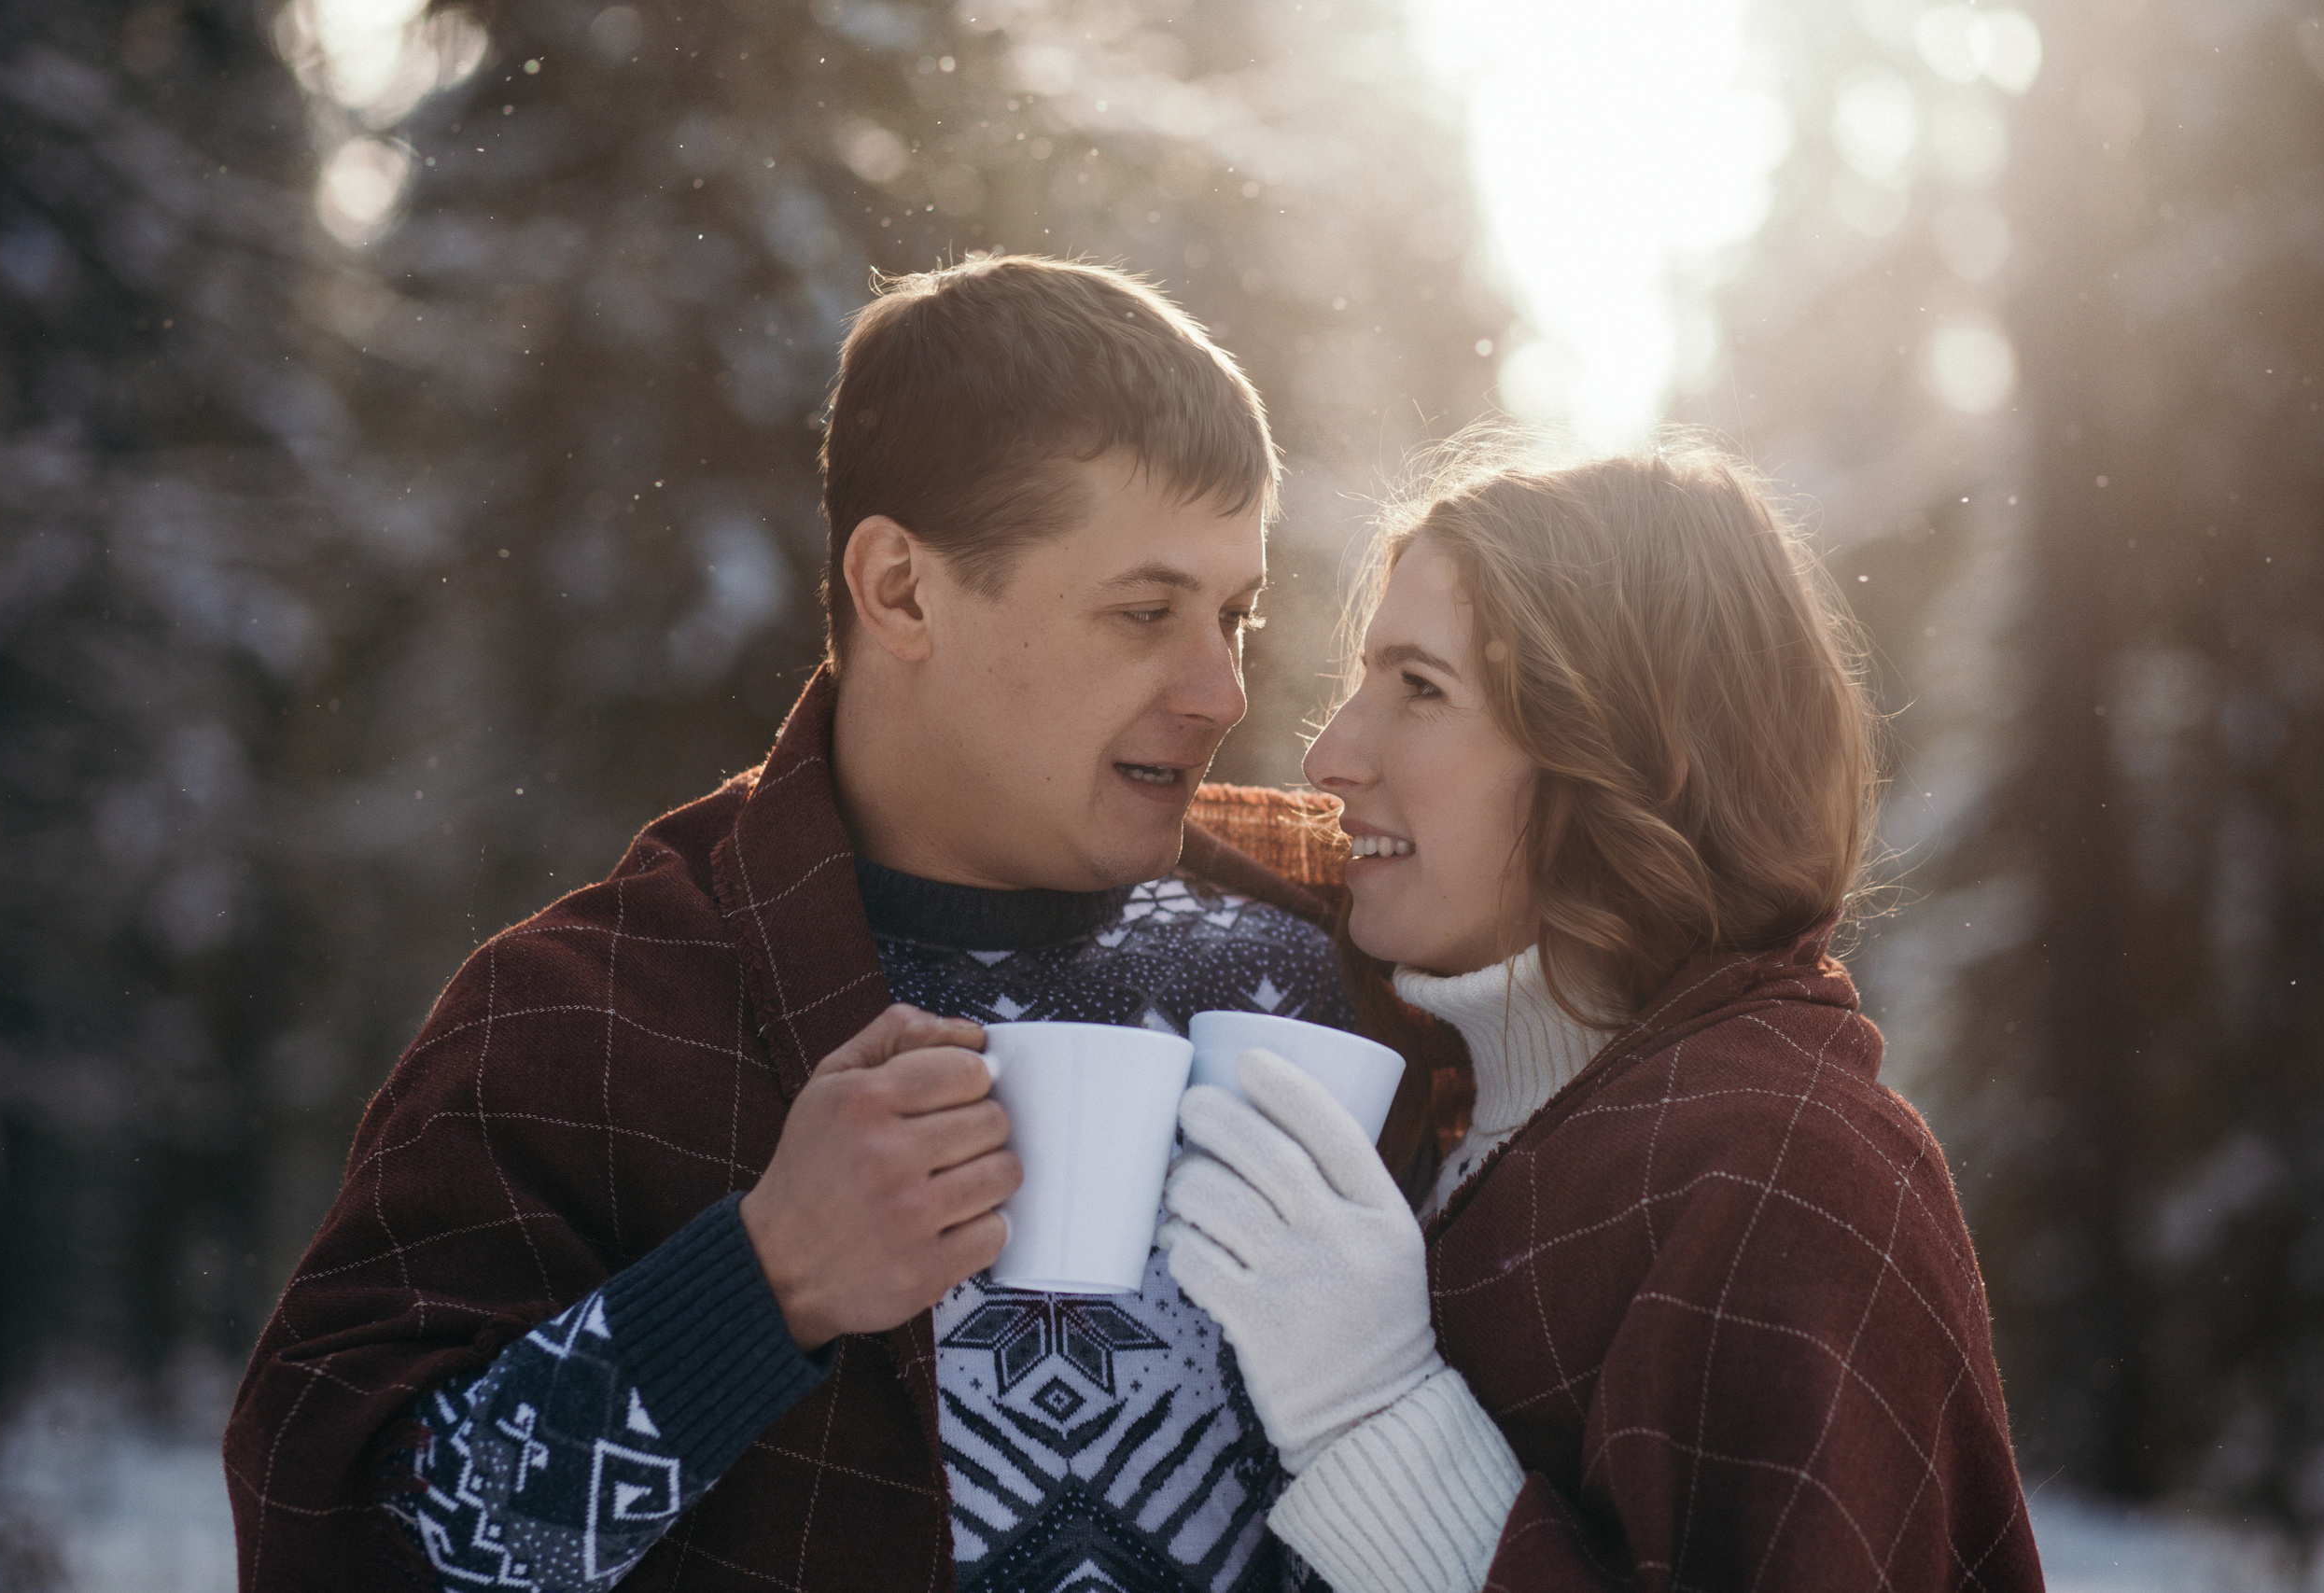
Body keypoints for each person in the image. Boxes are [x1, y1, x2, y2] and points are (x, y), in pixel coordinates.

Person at [223, 256, 1454, 1593]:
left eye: (1234, 615)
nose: (1221, 689)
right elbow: (338, 1542)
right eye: (1145, 612)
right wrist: (761, 1285)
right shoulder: (596, 1014)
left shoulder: (1343, 954)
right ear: (903, 588)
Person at [1159, 437, 2048, 1592]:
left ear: (1628, 754)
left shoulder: (1791, 1176)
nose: (1329, 756)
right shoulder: (1429, 1099)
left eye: (1419, 688)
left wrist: (1370, 1412)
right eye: (1362, 680)